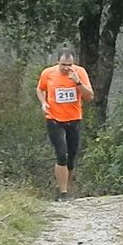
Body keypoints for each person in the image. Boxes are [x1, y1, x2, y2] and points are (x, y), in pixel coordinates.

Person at [36, 48, 94, 201]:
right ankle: (63, 193)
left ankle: (65, 189)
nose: (66, 68)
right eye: (63, 65)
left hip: (74, 119)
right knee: (61, 154)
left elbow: (89, 97)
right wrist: (43, 103)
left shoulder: (79, 72)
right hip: (54, 119)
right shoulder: (48, 73)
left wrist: (78, 83)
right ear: (57, 62)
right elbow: (40, 89)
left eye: (69, 64)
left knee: (71, 157)